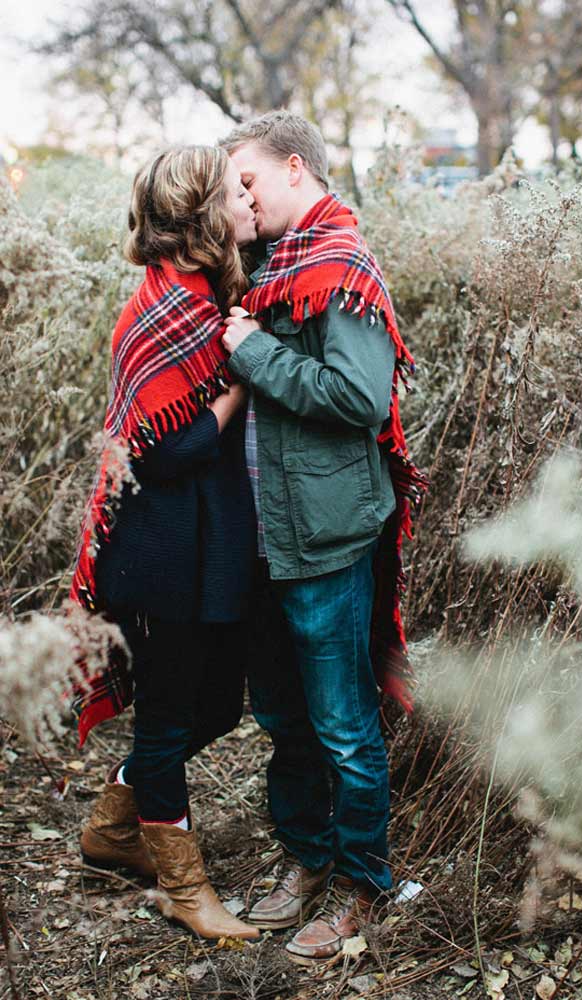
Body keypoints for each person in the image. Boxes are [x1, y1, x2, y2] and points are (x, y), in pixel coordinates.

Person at [219, 111, 427, 963]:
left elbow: (357, 398)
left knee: (342, 722)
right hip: (267, 537)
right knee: (281, 716)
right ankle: (306, 862)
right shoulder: (270, 268)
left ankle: (361, 886)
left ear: (293, 169)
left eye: (249, 182)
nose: (242, 198)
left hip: (328, 536)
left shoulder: (339, 266)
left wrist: (251, 352)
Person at [70, 145, 260, 942]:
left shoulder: (199, 295)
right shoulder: (166, 309)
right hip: (157, 553)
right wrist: (243, 379)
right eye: (233, 191)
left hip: (198, 544)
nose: (245, 201)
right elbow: (167, 449)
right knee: (171, 715)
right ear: (201, 216)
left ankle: (115, 829)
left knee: (217, 701)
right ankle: (184, 888)